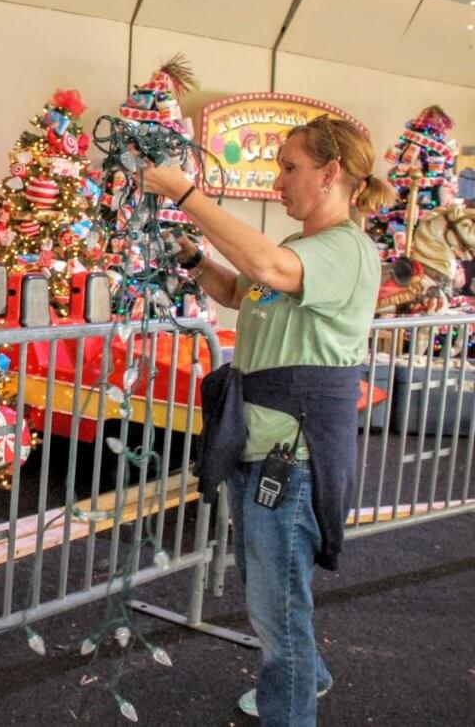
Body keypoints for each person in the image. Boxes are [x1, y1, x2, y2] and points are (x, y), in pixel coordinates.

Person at [140, 114, 395, 726]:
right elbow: (244, 291)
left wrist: (184, 193)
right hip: (266, 444)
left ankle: (293, 705)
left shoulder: (343, 252)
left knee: (275, 606)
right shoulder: (305, 252)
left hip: (293, 454)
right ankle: (308, 674)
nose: (279, 181)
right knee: (273, 588)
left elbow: (267, 272)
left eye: (290, 168)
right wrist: (197, 259)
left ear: (331, 174)